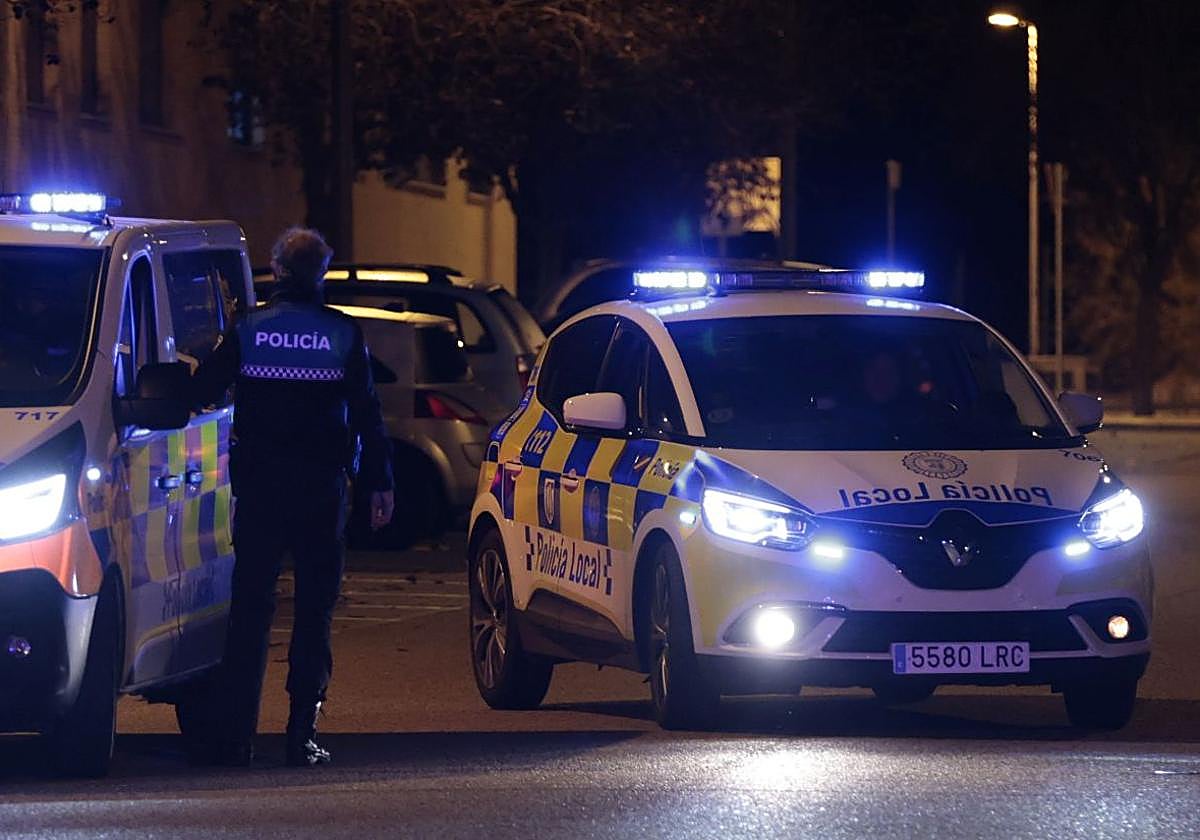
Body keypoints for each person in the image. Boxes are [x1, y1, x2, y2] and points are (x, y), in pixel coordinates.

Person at [191, 227, 394, 767]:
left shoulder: (250, 327)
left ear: (278, 271)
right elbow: (368, 415)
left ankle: (234, 738)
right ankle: (301, 734)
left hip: (260, 489)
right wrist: (379, 482)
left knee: (251, 611)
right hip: (321, 491)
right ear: (320, 274)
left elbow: (203, 391)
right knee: (313, 612)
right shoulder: (342, 334)